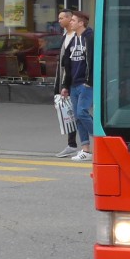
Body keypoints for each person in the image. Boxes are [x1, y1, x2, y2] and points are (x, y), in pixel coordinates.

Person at [60, 10, 94, 162]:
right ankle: (86, 149)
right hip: (73, 84)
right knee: (78, 118)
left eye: (73, 20)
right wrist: (65, 85)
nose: (70, 22)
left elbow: (93, 61)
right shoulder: (73, 39)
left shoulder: (89, 38)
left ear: (81, 23)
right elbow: (67, 64)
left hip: (86, 84)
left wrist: (89, 81)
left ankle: (102, 142)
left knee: (82, 112)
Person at [53, 9, 79, 157]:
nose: (59, 20)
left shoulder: (77, 36)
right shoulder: (65, 36)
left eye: (62, 18)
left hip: (73, 80)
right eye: (59, 18)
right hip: (63, 79)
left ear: (70, 19)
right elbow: (61, 63)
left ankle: (80, 144)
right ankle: (71, 144)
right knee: (67, 112)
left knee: (78, 112)